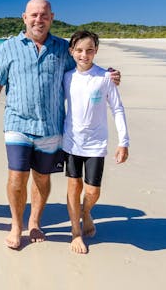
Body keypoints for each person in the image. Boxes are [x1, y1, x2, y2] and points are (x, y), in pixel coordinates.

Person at [0, 0, 120, 249]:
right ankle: (15, 224)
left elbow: (84, 66)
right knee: (16, 177)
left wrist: (109, 74)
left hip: (51, 127)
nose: (38, 20)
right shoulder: (8, 47)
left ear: (51, 18)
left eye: (44, 15)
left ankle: (34, 221)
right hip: (17, 123)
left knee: (42, 179)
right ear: (24, 17)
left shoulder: (62, 49)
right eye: (33, 15)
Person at [63, 30, 129, 254]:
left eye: (89, 50)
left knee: (92, 191)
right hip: (71, 142)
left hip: (96, 144)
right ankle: (75, 233)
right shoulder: (66, 76)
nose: (84, 55)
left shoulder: (105, 77)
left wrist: (124, 142)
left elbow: (117, 109)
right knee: (74, 186)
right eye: (79, 50)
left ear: (96, 51)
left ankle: (86, 211)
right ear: (71, 52)